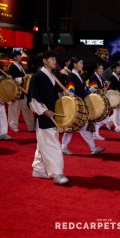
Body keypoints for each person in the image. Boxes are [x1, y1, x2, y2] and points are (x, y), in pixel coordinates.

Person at [29, 50, 68, 184]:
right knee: (53, 145)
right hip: (44, 116)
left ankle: (39, 170)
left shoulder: (52, 76)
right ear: (44, 60)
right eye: (52, 59)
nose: (55, 61)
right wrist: (44, 111)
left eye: (55, 59)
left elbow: (56, 96)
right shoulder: (37, 76)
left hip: (53, 115)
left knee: (44, 144)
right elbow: (33, 98)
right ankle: (57, 174)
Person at [61, 57, 105, 155]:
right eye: (80, 63)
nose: (82, 65)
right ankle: (92, 149)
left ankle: (64, 148)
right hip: (75, 106)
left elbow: (83, 90)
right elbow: (70, 92)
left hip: (79, 105)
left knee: (74, 128)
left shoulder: (78, 75)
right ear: (74, 64)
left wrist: (91, 92)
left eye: (82, 63)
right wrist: (74, 105)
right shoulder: (71, 76)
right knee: (76, 128)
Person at [7, 50, 35, 132]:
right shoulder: (12, 67)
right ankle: (13, 127)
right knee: (14, 110)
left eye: (20, 55)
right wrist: (23, 78)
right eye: (18, 55)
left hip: (23, 91)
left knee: (27, 109)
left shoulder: (21, 66)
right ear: (14, 57)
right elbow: (11, 80)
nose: (20, 57)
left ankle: (31, 127)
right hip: (15, 91)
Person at [87, 63, 108, 140]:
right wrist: (101, 90)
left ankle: (95, 133)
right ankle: (95, 134)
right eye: (99, 68)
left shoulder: (100, 77)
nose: (101, 70)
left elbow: (102, 87)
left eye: (102, 69)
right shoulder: (93, 77)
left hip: (99, 99)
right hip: (94, 100)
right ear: (95, 69)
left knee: (103, 117)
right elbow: (92, 89)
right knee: (97, 118)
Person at [106, 63, 120, 133]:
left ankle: (109, 122)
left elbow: (119, 89)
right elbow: (112, 90)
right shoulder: (112, 77)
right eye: (117, 68)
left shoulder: (117, 77)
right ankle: (118, 127)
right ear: (113, 69)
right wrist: (115, 100)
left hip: (119, 97)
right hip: (116, 98)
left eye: (119, 68)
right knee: (118, 113)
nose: (119, 69)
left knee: (118, 112)